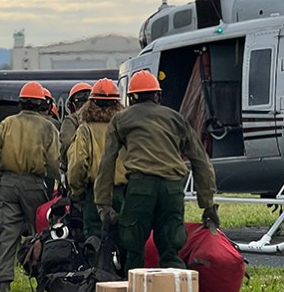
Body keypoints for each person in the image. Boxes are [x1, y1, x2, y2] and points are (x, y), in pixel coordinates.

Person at [94, 69, 219, 272]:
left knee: (133, 249)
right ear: (157, 95)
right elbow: (201, 161)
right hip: (172, 189)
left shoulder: (120, 120)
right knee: (170, 249)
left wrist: (103, 204)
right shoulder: (175, 119)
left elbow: (107, 162)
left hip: (140, 188)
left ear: (132, 98)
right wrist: (208, 204)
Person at [0, 81, 60, 292]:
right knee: (40, 232)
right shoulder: (48, 127)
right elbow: (54, 162)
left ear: (21, 102)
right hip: (33, 184)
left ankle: (3, 282)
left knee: (8, 233)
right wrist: (58, 183)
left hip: (7, 183)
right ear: (41, 104)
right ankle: (41, 278)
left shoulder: (7, 123)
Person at [67, 78, 127, 239]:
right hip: (122, 192)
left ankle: (97, 264)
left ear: (91, 102)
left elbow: (78, 164)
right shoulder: (125, 129)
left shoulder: (85, 130)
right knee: (124, 238)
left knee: (95, 238)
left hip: (93, 193)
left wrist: (77, 191)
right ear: (117, 103)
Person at [59, 82, 92, 175]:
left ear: (71, 105)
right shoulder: (103, 119)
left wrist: (64, 166)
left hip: (78, 173)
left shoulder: (71, 121)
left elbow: (66, 143)